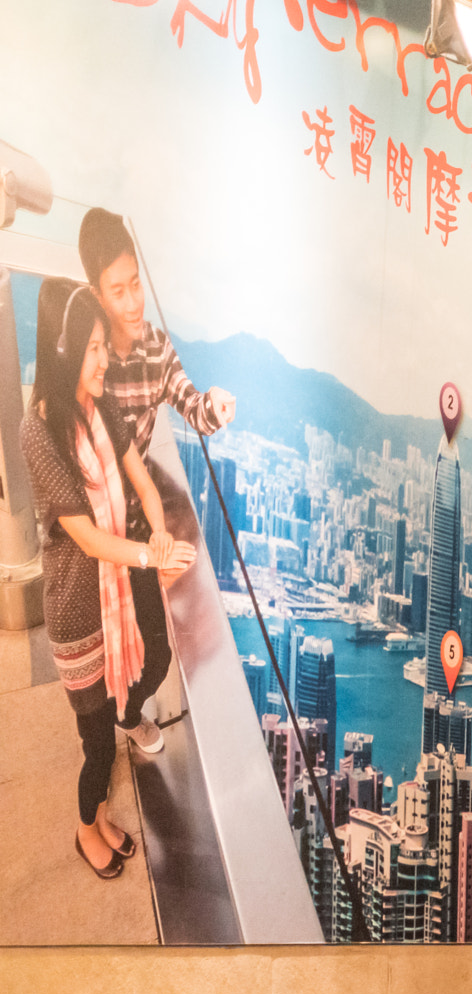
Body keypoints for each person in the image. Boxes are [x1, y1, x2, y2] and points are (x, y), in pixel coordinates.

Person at [21, 279, 199, 879]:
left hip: (113, 596)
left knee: (125, 697)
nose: (106, 359)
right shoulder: (40, 432)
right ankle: (84, 829)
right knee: (97, 744)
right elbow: (89, 538)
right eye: (95, 348)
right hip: (77, 615)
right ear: (67, 349)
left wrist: (160, 530)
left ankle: (97, 817)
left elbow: (141, 479)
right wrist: (151, 558)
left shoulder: (99, 409)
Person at [78, 207, 234, 754]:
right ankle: (97, 721)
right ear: (97, 295)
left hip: (137, 522)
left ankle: (124, 712)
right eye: (117, 291)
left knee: (156, 652)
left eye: (136, 284)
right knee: (93, 646)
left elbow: (190, 404)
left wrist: (212, 407)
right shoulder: (83, 355)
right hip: (89, 521)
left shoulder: (156, 349)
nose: (133, 301)